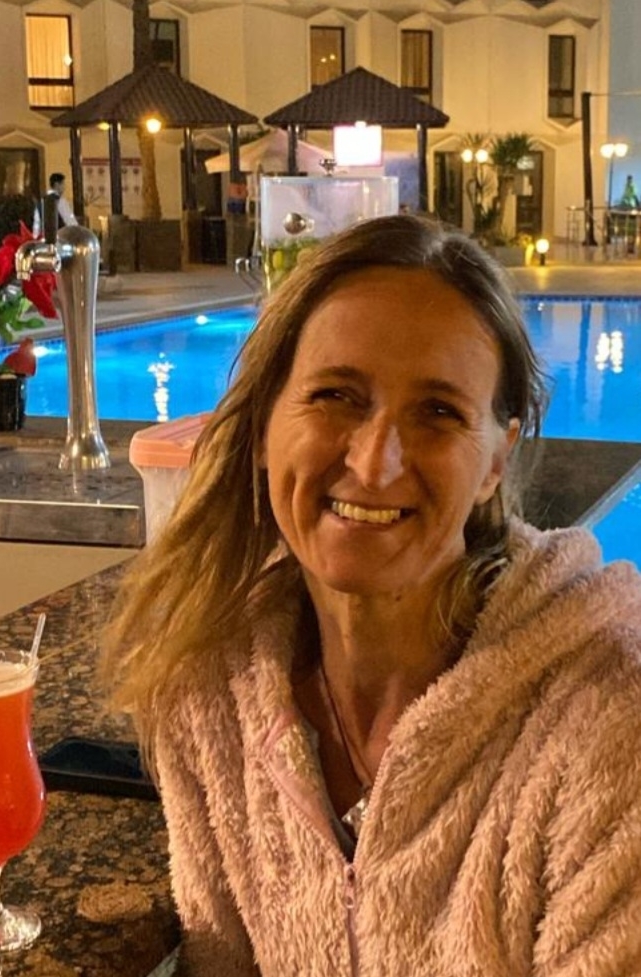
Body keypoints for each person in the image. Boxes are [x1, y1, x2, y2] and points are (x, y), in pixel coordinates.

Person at [103, 215, 641, 976]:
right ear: (264, 425)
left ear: (494, 461)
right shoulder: (207, 682)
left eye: (438, 412)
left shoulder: (609, 721)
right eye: (336, 395)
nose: (376, 462)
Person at [32, 171, 78, 237]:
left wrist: (36, 237)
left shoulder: (41, 202)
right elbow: (70, 221)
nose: (64, 187)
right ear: (57, 185)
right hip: (60, 238)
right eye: (62, 184)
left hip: (45, 238)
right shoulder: (61, 201)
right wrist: (77, 233)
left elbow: (36, 225)